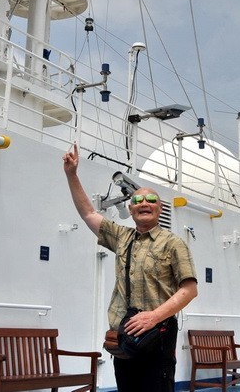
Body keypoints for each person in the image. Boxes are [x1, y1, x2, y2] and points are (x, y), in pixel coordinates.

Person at [63, 144, 198, 392]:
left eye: (151, 200)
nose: (143, 203)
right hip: (125, 335)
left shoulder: (173, 243)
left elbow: (189, 289)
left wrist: (153, 317)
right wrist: (72, 175)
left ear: (159, 208)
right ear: (131, 208)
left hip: (158, 332)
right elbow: (88, 213)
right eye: (137, 200)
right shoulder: (121, 237)